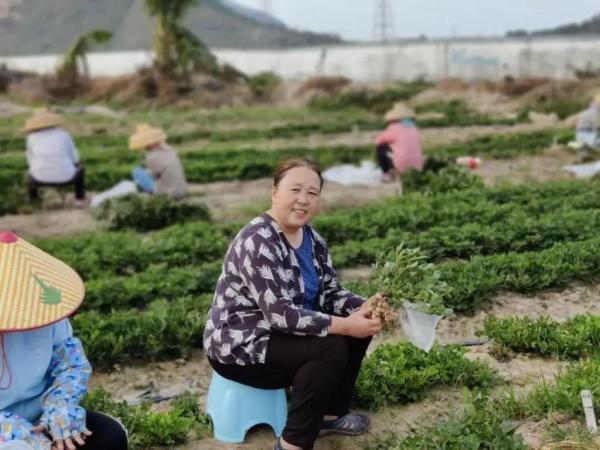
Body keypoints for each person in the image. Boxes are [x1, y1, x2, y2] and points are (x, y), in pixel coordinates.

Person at [203, 159, 382, 450]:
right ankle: (292, 443)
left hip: (281, 336)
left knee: (355, 324)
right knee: (332, 344)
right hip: (241, 346)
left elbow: (331, 293)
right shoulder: (257, 241)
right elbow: (280, 315)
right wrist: (347, 325)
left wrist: (364, 306)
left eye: (312, 193)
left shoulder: (313, 240)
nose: (303, 199)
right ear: (275, 192)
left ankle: (328, 415)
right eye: (295, 189)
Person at [0, 231, 128, 450]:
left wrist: (60, 409)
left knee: (110, 437)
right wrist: (23, 435)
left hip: (42, 413)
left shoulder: (44, 312)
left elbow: (70, 364)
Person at [24, 109, 86, 207]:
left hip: (39, 179)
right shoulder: (64, 134)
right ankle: (79, 200)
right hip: (67, 178)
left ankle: (35, 202)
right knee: (81, 169)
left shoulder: (31, 138)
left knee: (29, 174)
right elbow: (75, 158)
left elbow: (30, 161)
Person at [128, 123, 188, 199]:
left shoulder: (152, 156)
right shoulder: (170, 150)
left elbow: (154, 175)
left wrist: (146, 169)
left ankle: (153, 195)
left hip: (169, 193)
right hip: (182, 190)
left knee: (136, 171)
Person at [375, 102, 424, 183]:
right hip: (417, 167)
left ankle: (387, 174)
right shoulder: (413, 127)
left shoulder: (394, 127)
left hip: (401, 165)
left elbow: (378, 141)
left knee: (381, 147)